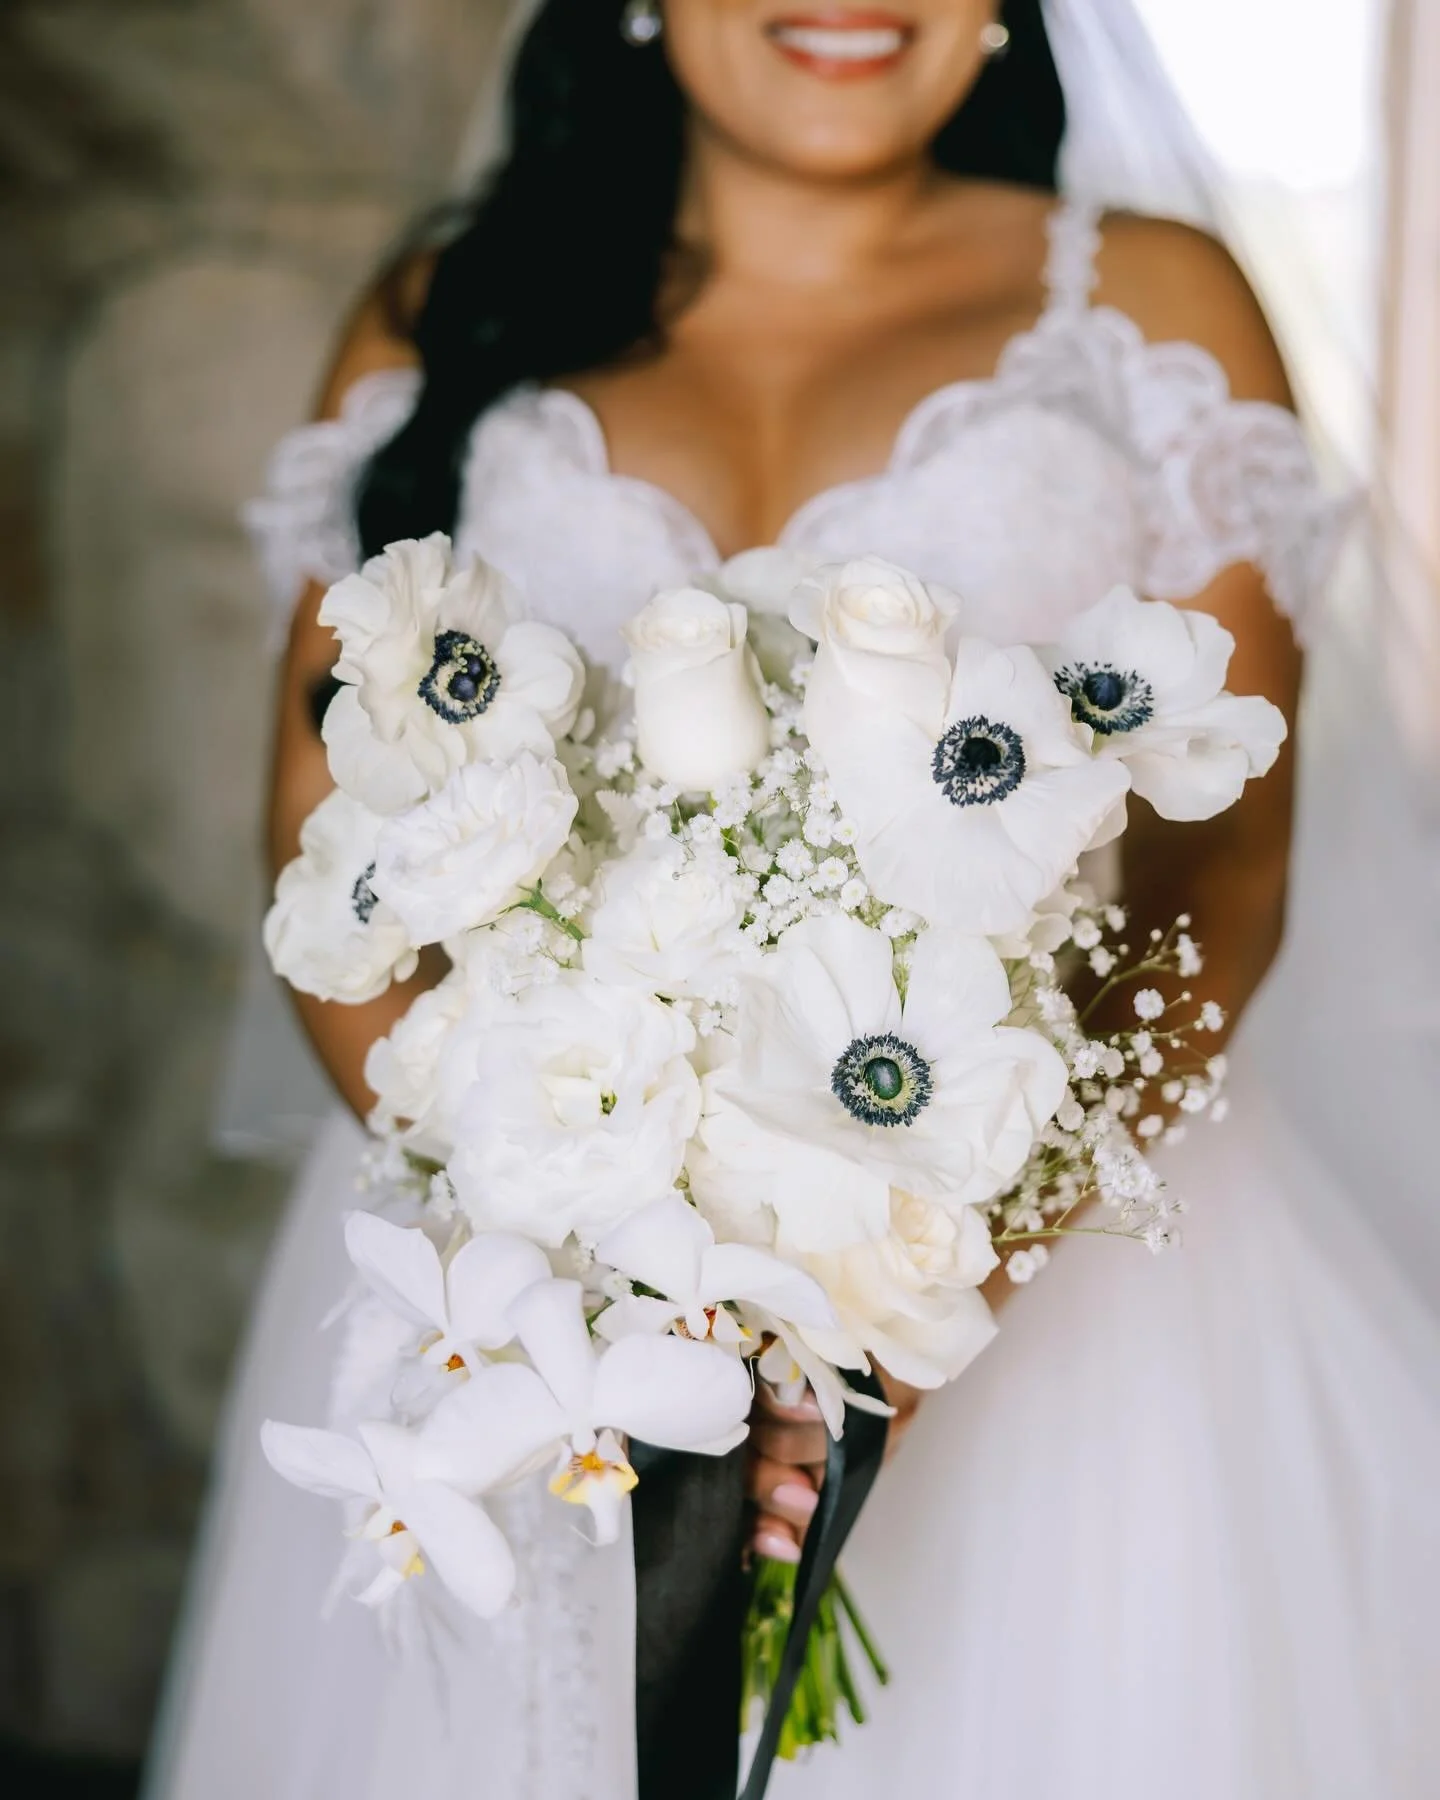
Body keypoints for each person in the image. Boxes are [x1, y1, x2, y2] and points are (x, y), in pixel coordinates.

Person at [145, 4, 1440, 1797]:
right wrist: (570, 1270)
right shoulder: (450, 318)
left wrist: (931, 1283)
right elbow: (326, 828)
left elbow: (1231, 866)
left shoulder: (1153, 312)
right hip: (518, 1244)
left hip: (1076, 1290)